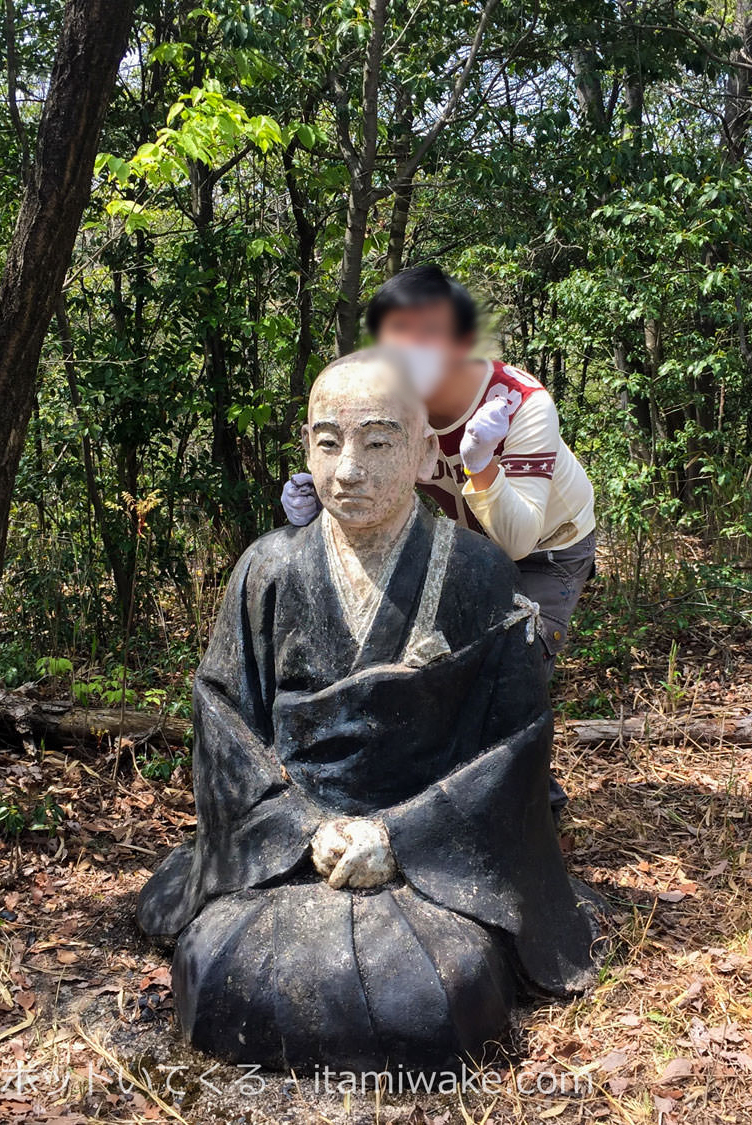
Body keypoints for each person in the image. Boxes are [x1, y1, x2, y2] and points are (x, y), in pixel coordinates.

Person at [137, 349, 596, 1071]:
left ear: (422, 451)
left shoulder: (479, 573)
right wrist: (304, 825)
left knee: (443, 987)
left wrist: (399, 837)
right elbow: (224, 720)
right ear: (306, 448)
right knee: (216, 966)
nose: (348, 469)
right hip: (289, 847)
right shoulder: (269, 568)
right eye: (328, 442)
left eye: (378, 441)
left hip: (428, 856)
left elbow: (515, 744)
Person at [283, 266, 596, 676]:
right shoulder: (395, 403)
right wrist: (323, 511)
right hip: (461, 539)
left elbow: (519, 542)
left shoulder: (522, 404)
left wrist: (480, 464)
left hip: (548, 544)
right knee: (435, 653)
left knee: (518, 662)